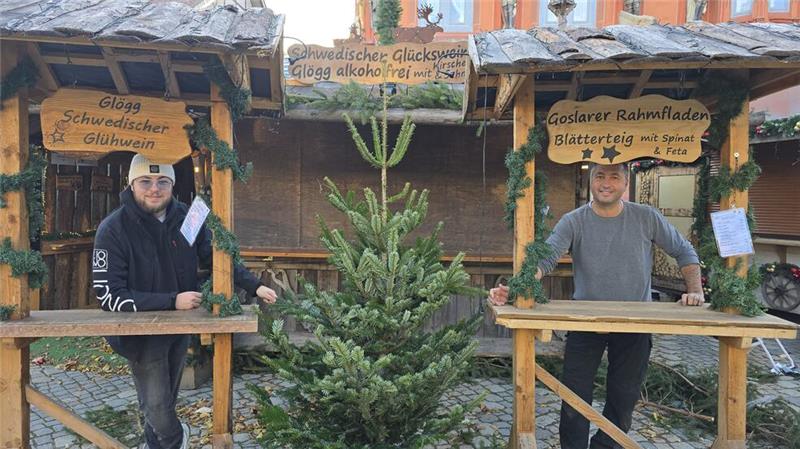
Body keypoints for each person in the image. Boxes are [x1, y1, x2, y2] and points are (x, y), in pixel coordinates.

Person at [489, 163, 704, 449]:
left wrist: (696, 291)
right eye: (599, 176)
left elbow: (684, 250)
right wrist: (514, 289)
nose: (606, 183)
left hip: (634, 323)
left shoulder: (646, 217)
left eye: (614, 176)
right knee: (574, 398)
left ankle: (606, 446)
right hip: (584, 322)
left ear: (625, 183)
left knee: (623, 398)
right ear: (591, 181)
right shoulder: (573, 221)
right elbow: (544, 259)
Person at [92, 154, 277, 449]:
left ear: (172, 185)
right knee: (157, 408)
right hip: (139, 333)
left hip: (179, 328)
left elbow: (216, 257)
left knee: (161, 402)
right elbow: (108, 295)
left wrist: (253, 286)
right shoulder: (114, 229)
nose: (154, 188)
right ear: (131, 184)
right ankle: (176, 439)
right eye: (145, 181)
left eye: (162, 181)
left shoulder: (187, 218)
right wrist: (172, 300)